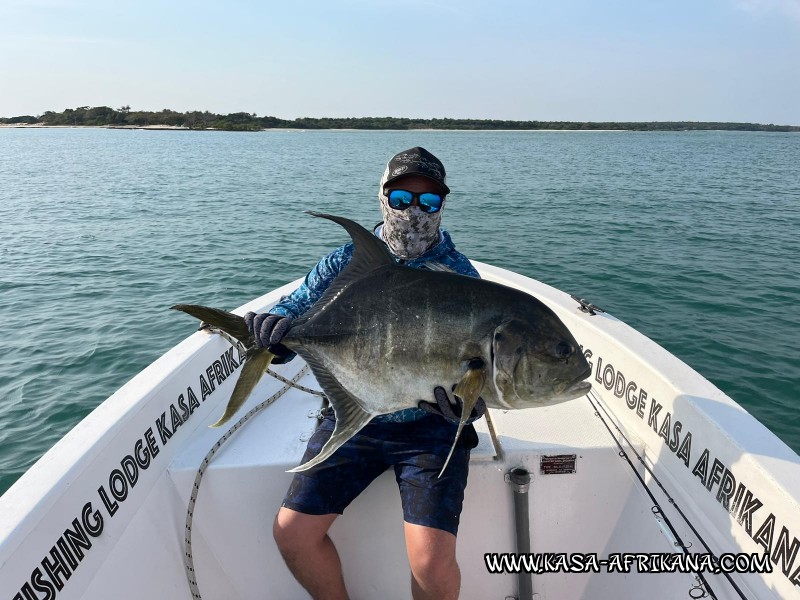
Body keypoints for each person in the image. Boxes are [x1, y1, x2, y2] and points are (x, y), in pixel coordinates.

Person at [246, 147, 485, 600]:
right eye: (402, 197)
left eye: (429, 202)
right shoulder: (344, 263)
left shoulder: (458, 274)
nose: (414, 212)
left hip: (429, 429)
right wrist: (274, 331)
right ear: (382, 197)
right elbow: (298, 307)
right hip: (352, 412)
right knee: (292, 533)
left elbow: (481, 367)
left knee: (432, 564)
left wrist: (468, 406)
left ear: (442, 207)